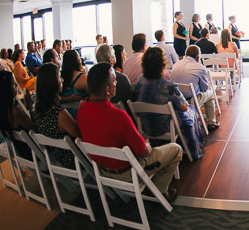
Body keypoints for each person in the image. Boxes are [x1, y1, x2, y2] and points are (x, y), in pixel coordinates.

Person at [76, 63, 182, 204]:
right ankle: (160, 192)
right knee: (176, 149)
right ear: (107, 90)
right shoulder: (118, 116)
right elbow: (144, 152)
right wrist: (147, 144)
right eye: (114, 81)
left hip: (102, 171)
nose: (116, 83)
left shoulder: (82, 109)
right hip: (127, 173)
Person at [135, 47, 203, 159]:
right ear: (162, 65)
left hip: (145, 126)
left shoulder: (139, 81)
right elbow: (184, 107)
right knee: (191, 110)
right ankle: (193, 150)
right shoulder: (168, 85)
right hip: (165, 127)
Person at [34, 63, 80, 169]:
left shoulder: (37, 110)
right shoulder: (59, 114)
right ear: (52, 82)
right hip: (73, 159)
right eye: (59, 76)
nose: (62, 80)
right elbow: (79, 136)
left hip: (56, 157)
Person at [169, 45, 219, 131]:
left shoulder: (176, 64)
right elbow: (204, 89)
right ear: (198, 57)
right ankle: (211, 122)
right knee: (210, 94)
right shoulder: (200, 67)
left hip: (177, 101)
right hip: (191, 101)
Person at [0, 70, 34, 159]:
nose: (16, 86)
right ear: (7, 88)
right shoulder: (14, 111)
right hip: (31, 152)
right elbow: (34, 130)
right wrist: (30, 107)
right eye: (13, 84)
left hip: (20, 150)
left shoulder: (1, 109)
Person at [60, 49, 88, 117]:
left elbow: (54, 97)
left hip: (63, 114)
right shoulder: (82, 77)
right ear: (77, 60)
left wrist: (68, 99)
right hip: (79, 113)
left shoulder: (60, 77)